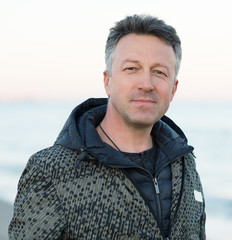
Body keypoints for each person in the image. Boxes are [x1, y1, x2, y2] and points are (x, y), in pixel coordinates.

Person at [9, 14, 206, 239]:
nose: (146, 84)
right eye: (132, 68)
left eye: (159, 72)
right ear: (107, 81)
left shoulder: (184, 163)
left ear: (173, 89)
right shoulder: (50, 170)